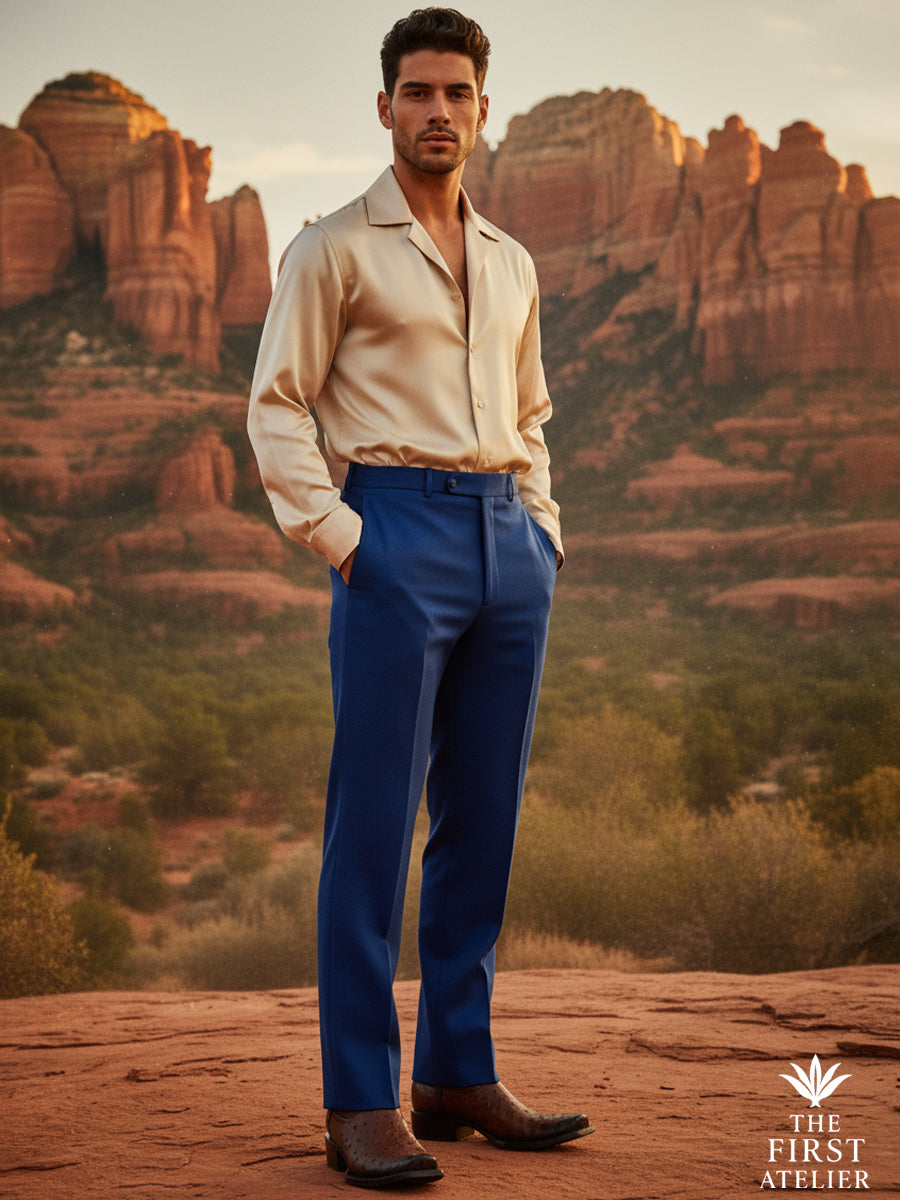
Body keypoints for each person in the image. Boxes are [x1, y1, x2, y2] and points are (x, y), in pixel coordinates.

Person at [247, 7, 593, 1189]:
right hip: (394, 532)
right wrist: (345, 539)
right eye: (416, 92)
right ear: (384, 107)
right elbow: (277, 407)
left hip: (507, 544)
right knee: (373, 825)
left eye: (456, 92)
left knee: (482, 823)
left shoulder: (511, 261)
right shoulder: (332, 247)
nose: (437, 110)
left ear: (482, 109)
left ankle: (455, 1073)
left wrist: (539, 530)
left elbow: (534, 410)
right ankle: (360, 1103)